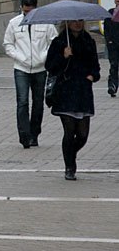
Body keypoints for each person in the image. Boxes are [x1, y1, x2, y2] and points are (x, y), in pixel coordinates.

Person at [45, 19, 101, 180]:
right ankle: (69, 166)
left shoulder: (88, 41)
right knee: (69, 132)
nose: (77, 24)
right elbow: (50, 66)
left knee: (83, 134)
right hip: (65, 91)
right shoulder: (59, 42)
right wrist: (63, 56)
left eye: (80, 21)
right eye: (74, 21)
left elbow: (95, 65)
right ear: (67, 23)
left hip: (83, 90)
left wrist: (93, 76)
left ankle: (71, 153)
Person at [3, 0, 58, 148]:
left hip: (40, 68)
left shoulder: (46, 23)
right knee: (22, 102)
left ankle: (34, 134)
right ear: (22, 8)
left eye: (31, 10)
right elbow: (8, 44)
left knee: (38, 103)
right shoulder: (14, 23)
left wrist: (43, 57)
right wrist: (19, 57)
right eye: (25, 10)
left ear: (35, 7)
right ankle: (24, 135)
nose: (28, 13)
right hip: (21, 68)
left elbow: (53, 42)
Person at [103, 0, 119, 97]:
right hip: (113, 45)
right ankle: (112, 86)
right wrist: (109, 41)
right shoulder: (110, 13)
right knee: (114, 66)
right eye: (117, 1)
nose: (118, 3)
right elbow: (107, 29)